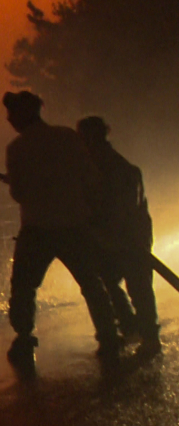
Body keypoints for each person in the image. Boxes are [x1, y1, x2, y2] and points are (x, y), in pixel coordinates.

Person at [2, 91, 120, 373]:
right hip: (74, 225)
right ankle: (109, 337)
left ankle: (24, 337)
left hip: (37, 229)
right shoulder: (68, 137)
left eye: (11, 114)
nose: (8, 120)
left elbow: (19, 193)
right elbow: (91, 179)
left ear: (21, 115)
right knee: (92, 284)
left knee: (24, 288)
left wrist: (15, 183)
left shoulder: (16, 149)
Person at [76, 116, 161, 358]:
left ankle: (149, 336)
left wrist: (111, 229)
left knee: (138, 286)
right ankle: (133, 328)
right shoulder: (96, 167)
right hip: (110, 238)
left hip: (131, 238)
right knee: (110, 284)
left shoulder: (121, 169)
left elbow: (125, 208)